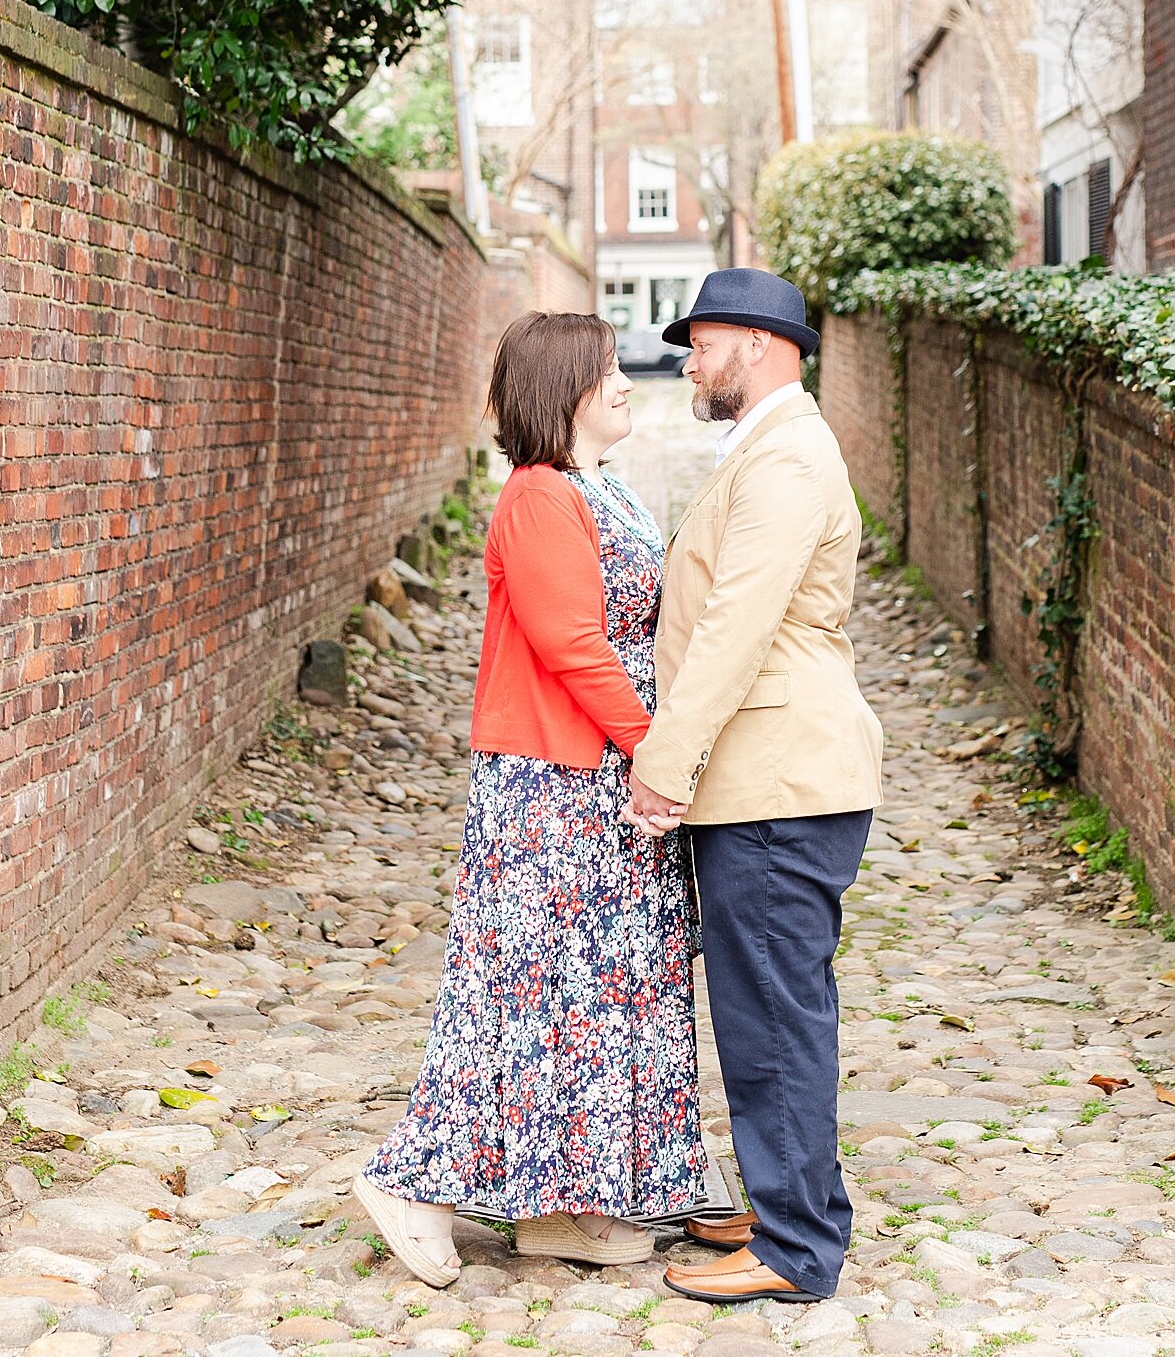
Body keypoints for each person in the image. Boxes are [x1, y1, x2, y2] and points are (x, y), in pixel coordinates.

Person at [357, 310, 705, 1287]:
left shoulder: (607, 488)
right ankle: (411, 1183)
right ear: (567, 391)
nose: (632, 381)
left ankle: (564, 1204)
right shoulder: (540, 497)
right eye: (610, 370)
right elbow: (573, 647)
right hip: (556, 785)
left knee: (594, 994)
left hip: (603, 782)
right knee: (531, 996)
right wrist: (656, 752)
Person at [624, 267, 884, 1309]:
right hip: (772, 781)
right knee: (774, 1010)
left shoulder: (785, 458)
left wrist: (663, 764)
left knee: (773, 1019)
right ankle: (792, 1216)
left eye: (705, 340)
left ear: (762, 345)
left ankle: (796, 1249)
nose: (690, 357)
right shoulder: (770, 447)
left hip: (777, 781)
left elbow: (737, 626)